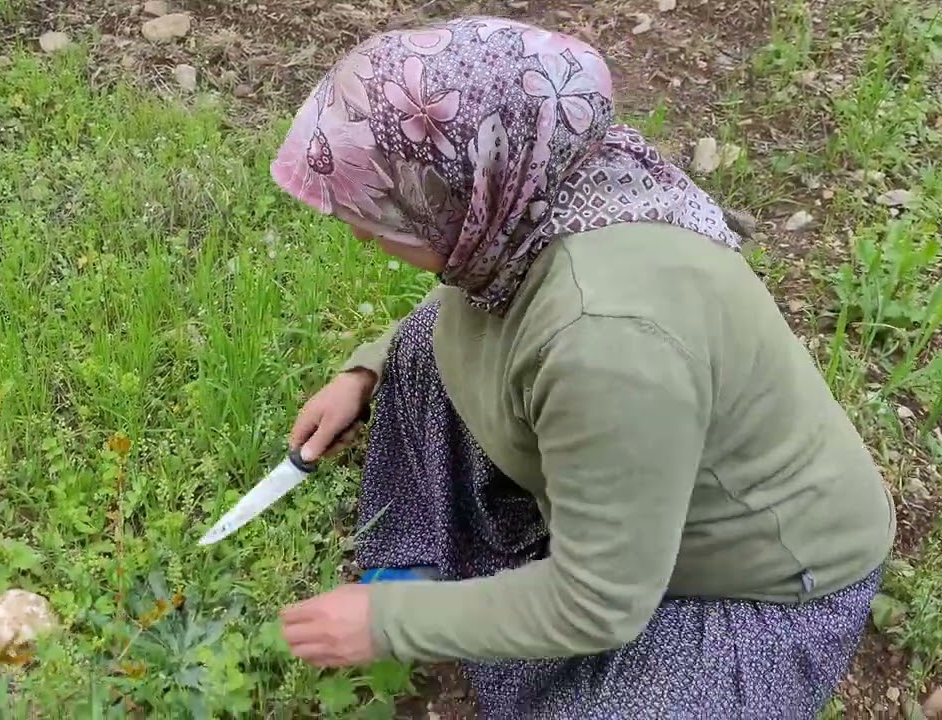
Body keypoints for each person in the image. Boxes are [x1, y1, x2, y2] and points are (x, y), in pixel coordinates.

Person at [270, 16, 896, 719]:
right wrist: (365, 372)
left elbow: (600, 602)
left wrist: (390, 620)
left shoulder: (606, 341)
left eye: (381, 210)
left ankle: (453, 600)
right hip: (641, 480)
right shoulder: (554, 188)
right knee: (423, 343)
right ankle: (445, 574)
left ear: (459, 189)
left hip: (751, 582)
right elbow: (480, 313)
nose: (360, 231)